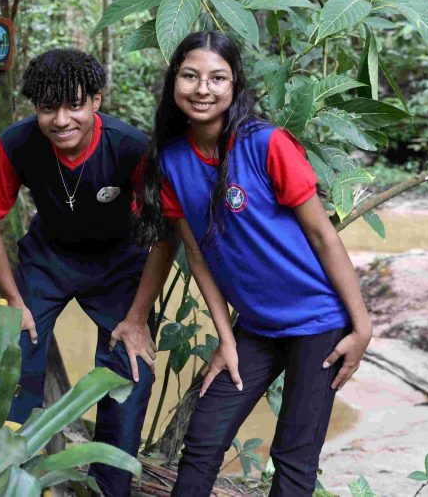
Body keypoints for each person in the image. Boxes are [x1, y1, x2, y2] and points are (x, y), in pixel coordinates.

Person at [133, 31, 372, 496]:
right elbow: (197, 255)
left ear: (235, 84)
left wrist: (360, 328)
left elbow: (324, 236)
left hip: (317, 322)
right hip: (256, 328)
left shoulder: (267, 144)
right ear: (173, 82)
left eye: (217, 78)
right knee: (203, 440)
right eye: (190, 76)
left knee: (293, 458)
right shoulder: (169, 159)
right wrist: (226, 339)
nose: (203, 89)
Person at [0, 48, 179, 497]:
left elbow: (165, 234)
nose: (61, 119)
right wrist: (16, 299)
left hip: (119, 262)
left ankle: (110, 487)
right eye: (48, 108)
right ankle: (11, 479)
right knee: (15, 353)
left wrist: (139, 318)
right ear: (36, 109)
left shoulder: (130, 148)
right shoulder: (17, 143)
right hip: (49, 258)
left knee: (129, 367)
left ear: (97, 101)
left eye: (74, 105)